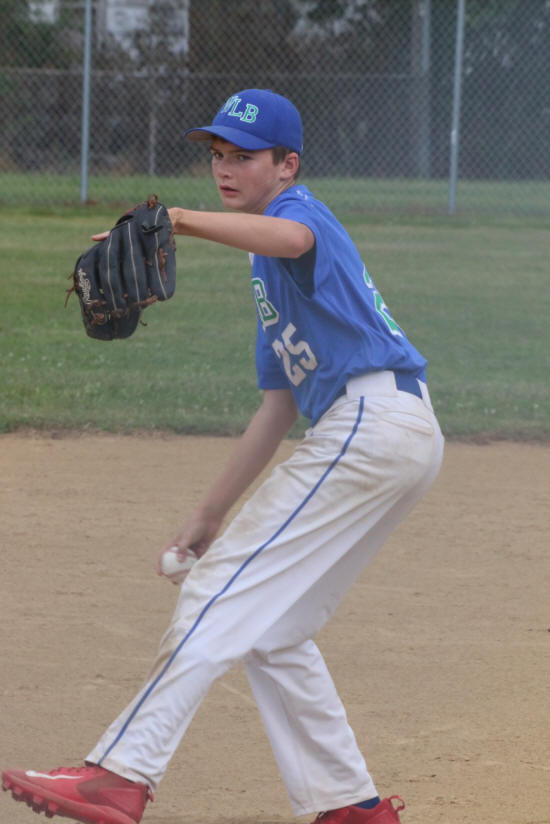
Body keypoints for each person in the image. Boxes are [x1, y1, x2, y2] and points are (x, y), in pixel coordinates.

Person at [2, 89, 444, 824]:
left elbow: (293, 239)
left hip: (372, 422)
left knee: (217, 592)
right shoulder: (264, 272)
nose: (225, 169)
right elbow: (278, 408)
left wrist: (177, 219)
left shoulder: (300, 213)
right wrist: (208, 517)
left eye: (244, 156)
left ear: (287, 165)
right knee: (273, 628)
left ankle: (120, 773)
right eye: (216, 155)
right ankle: (350, 808)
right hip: (389, 433)